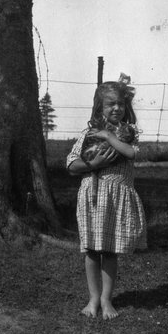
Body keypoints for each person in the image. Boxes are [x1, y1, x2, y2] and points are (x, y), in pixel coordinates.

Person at [66, 75, 147, 320]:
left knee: (110, 251)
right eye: (111, 104)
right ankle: (93, 299)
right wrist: (94, 163)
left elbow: (132, 154)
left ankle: (106, 299)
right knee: (91, 250)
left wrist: (109, 137)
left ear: (126, 107)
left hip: (116, 197)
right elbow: (71, 165)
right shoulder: (90, 133)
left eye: (121, 104)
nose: (116, 108)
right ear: (99, 107)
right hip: (93, 196)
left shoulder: (128, 133)